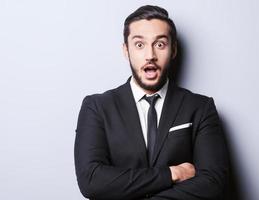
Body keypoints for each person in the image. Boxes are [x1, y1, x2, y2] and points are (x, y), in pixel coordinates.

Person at [74, 5, 229, 200]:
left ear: (173, 50)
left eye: (160, 44)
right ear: (126, 50)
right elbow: (91, 181)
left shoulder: (200, 107)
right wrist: (172, 173)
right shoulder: (97, 107)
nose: (150, 55)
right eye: (140, 45)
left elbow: (213, 183)